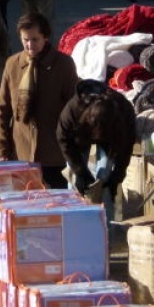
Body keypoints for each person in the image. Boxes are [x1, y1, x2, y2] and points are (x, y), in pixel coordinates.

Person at [0, 12, 79, 189]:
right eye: (25, 40)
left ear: (45, 37)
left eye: (35, 39)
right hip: (21, 152)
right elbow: (2, 110)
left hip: (53, 155)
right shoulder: (13, 64)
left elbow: (74, 109)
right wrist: (1, 150)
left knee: (53, 208)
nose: (30, 45)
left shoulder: (63, 64)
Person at [56, 78, 138, 216]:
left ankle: (105, 222)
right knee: (74, 176)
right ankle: (74, 214)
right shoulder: (72, 111)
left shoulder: (124, 112)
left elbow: (126, 147)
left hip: (112, 136)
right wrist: (80, 172)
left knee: (105, 175)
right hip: (80, 135)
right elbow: (64, 140)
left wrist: (117, 176)